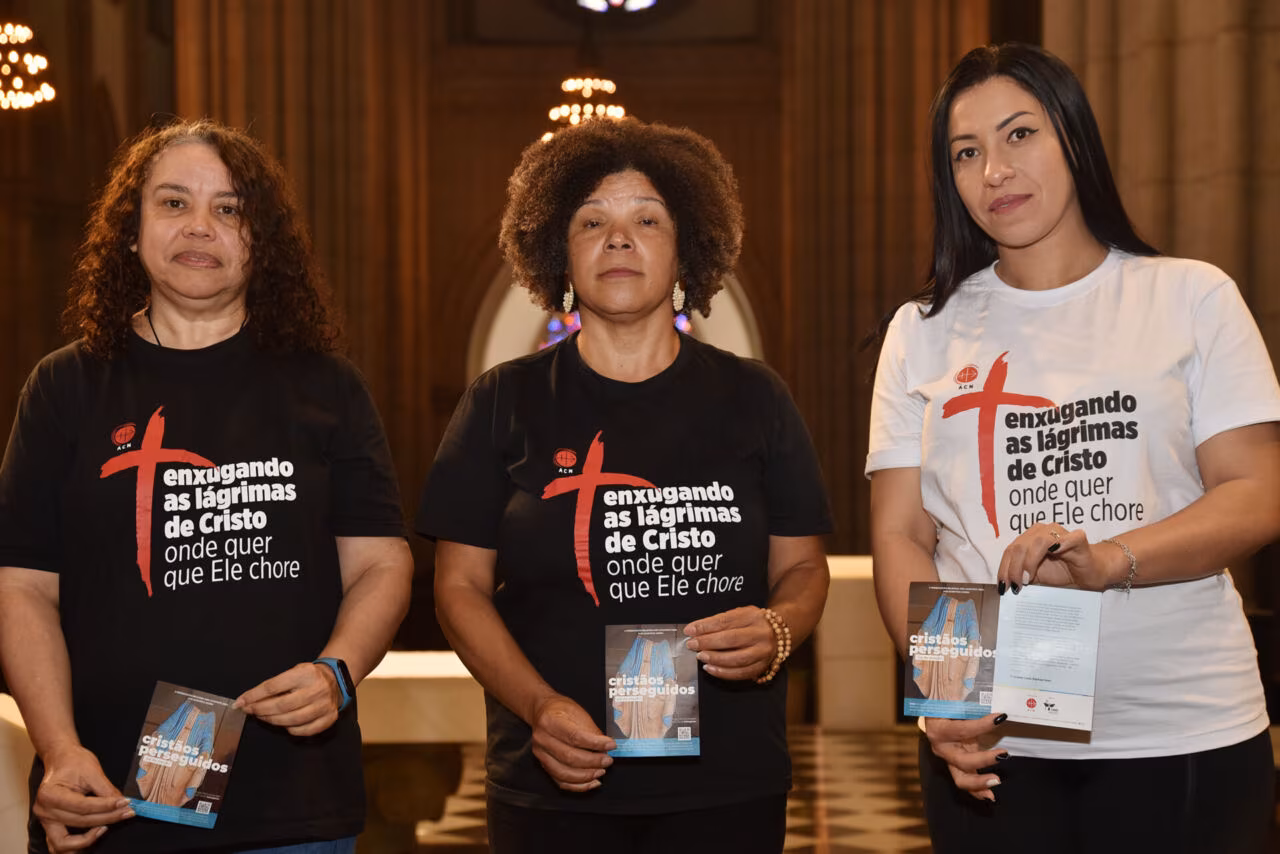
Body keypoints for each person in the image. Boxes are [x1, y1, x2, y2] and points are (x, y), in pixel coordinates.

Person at [867, 42, 1280, 854]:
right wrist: (948, 700)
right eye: (967, 151)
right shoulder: (922, 332)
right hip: (997, 740)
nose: (995, 170)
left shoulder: (1190, 297)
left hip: (1180, 726)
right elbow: (902, 533)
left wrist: (1109, 559)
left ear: (1074, 138)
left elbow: (1256, 491)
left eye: (1020, 135)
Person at [417, 118, 831, 853]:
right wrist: (539, 707)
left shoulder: (756, 398)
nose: (618, 239)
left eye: (647, 219)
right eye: (591, 221)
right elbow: (458, 589)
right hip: (556, 776)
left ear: (685, 251)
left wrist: (778, 630)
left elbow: (801, 567)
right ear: (558, 254)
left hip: (726, 782)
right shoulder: (501, 401)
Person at [0, 118, 414, 854]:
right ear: (130, 230)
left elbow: (382, 563)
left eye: (229, 209)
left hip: (291, 800)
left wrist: (336, 672)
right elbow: (25, 586)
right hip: (109, 794)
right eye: (173, 203)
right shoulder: (65, 387)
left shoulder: (326, 387)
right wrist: (61, 751)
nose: (201, 226)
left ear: (263, 240)